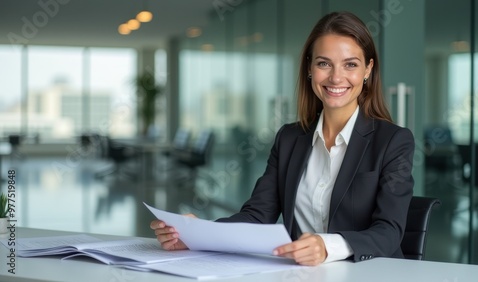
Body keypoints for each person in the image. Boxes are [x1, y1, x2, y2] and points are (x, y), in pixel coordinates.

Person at [151, 11, 414, 266]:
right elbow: (257, 215)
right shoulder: (290, 138)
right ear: (310, 68)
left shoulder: (393, 141)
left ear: (368, 69)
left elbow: (388, 231)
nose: (336, 77)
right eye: (324, 63)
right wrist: (195, 235)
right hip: (302, 274)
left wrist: (326, 246)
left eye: (350, 65)